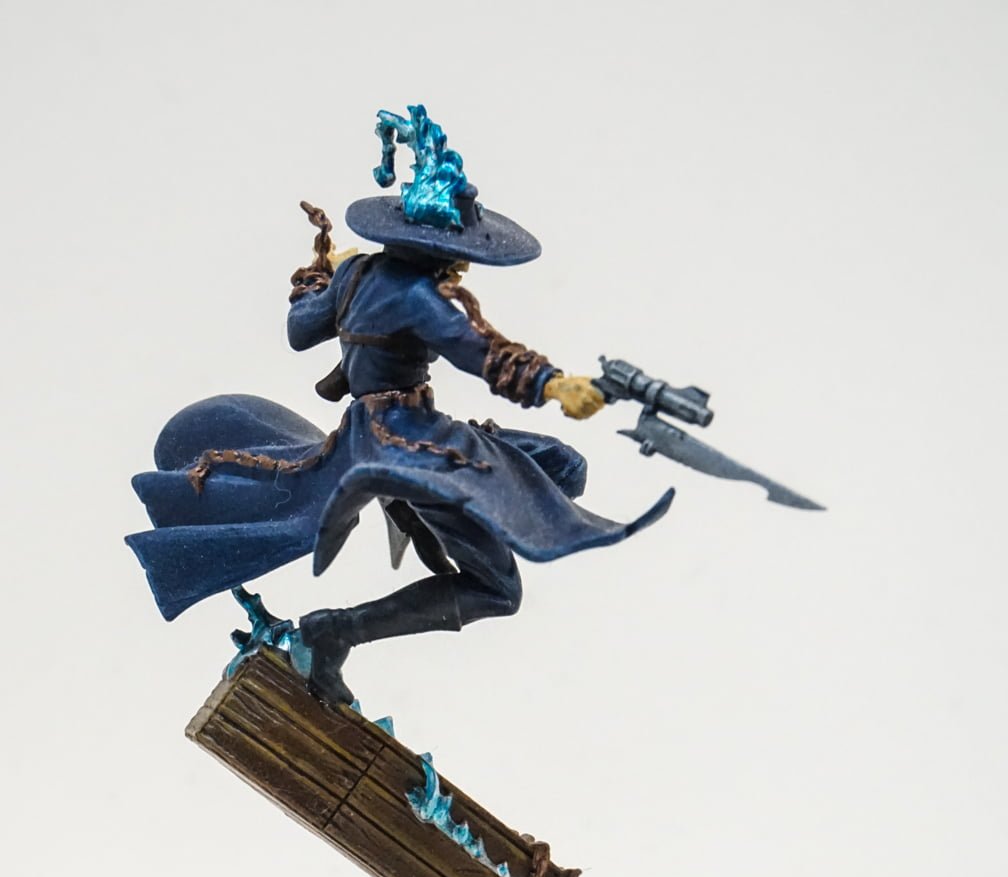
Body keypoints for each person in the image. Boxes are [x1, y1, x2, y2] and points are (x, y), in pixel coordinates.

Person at [126, 105, 673, 703]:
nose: (465, 261)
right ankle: (335, 631)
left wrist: (326, 280)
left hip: (372, 433)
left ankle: (452, 522)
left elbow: (300, 330)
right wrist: (556, 385)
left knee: (562, 467)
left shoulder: (359, 275)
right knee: (498, 590)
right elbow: (483, 354)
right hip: (409, 445)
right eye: (460, 249)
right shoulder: (417, 297)